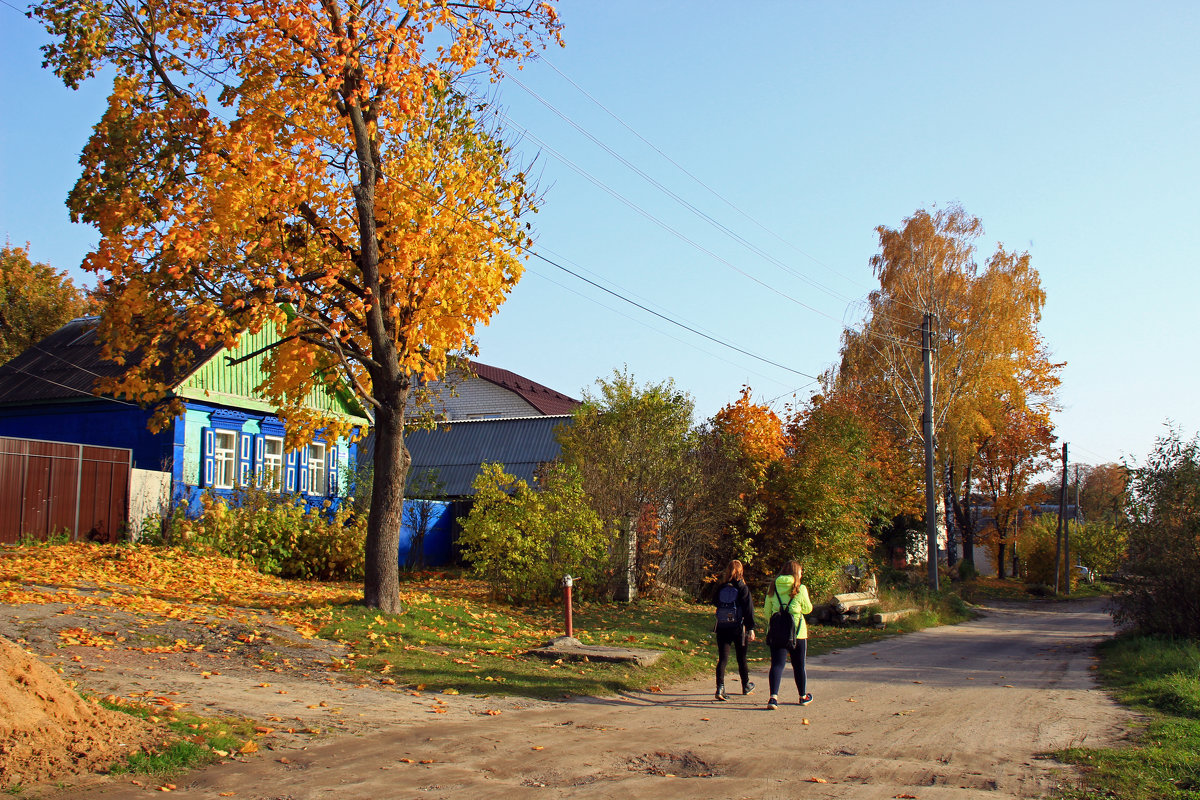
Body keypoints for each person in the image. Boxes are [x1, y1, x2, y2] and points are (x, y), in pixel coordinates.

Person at [763, 559, 814, 710]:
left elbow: (767, 611)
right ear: (796, 572)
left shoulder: (773, 587)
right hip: (798, 632)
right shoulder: (800, 588)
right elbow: (807, 609)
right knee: (799, 666)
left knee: (777, 665)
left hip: (777, 632)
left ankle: (773, 697)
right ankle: (803, 696)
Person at [712, 559, 756, 701]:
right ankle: (745, 685)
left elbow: (715, 602)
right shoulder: (743, 588)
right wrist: (750, 628)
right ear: (741, 571)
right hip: (738, 627)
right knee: (741, 658)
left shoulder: (721, 587)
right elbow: (749, 610)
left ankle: (720, 687)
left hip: (722, 626)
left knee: (723, 658)